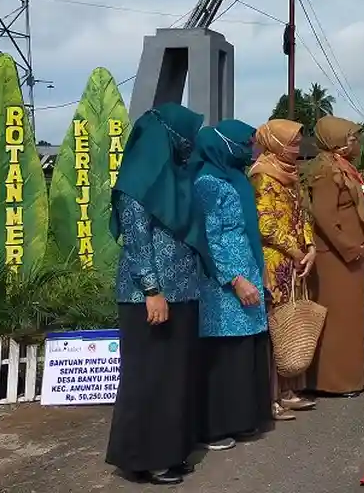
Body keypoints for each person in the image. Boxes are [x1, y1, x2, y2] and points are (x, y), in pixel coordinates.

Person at [105, 104, 205, 485]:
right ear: (170, 136)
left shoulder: (175, 180)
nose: (191, 143)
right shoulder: (137, 181)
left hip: (182, 292)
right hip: (148, 297)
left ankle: (169, 450)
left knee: (173, 377)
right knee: (149, 377)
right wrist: (152, 290)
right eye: (187, 135)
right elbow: (136, 241)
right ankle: (141, 457)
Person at [191, 119, 271, 450]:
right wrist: (234, 279)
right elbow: (210, 239)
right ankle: (217, 425)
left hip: (248, 269)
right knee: (226, 351)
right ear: (224, 145)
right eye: (245, 143)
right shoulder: (207, 183)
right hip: (222, 281)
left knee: (247, 348)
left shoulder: (235, 178)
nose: (250, 149)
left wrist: (256, 272)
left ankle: (244, 419)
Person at [249, 118, 316, 419]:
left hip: (296, 260)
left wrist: (311, 247)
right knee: (276, 325)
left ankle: (289, 390)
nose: (297, 147)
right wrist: (295, 250)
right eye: (291, 142)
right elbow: (266, 224)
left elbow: (303, 214)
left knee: (292, 324)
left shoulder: (291, 174)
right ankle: (272, 397)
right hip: (275, 260)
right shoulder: (263, 176)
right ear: (275, 143)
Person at [305, 115, 364, 396]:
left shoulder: (343, 167)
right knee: (337, 320)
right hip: (335, 256)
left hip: (349, 255)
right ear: (334, 139)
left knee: (349, 318)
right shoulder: (325, 171)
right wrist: (350, 247)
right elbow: (325, 216)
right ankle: (333, 381)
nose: (355, 142)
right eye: (350, 137)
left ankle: (347, 376)